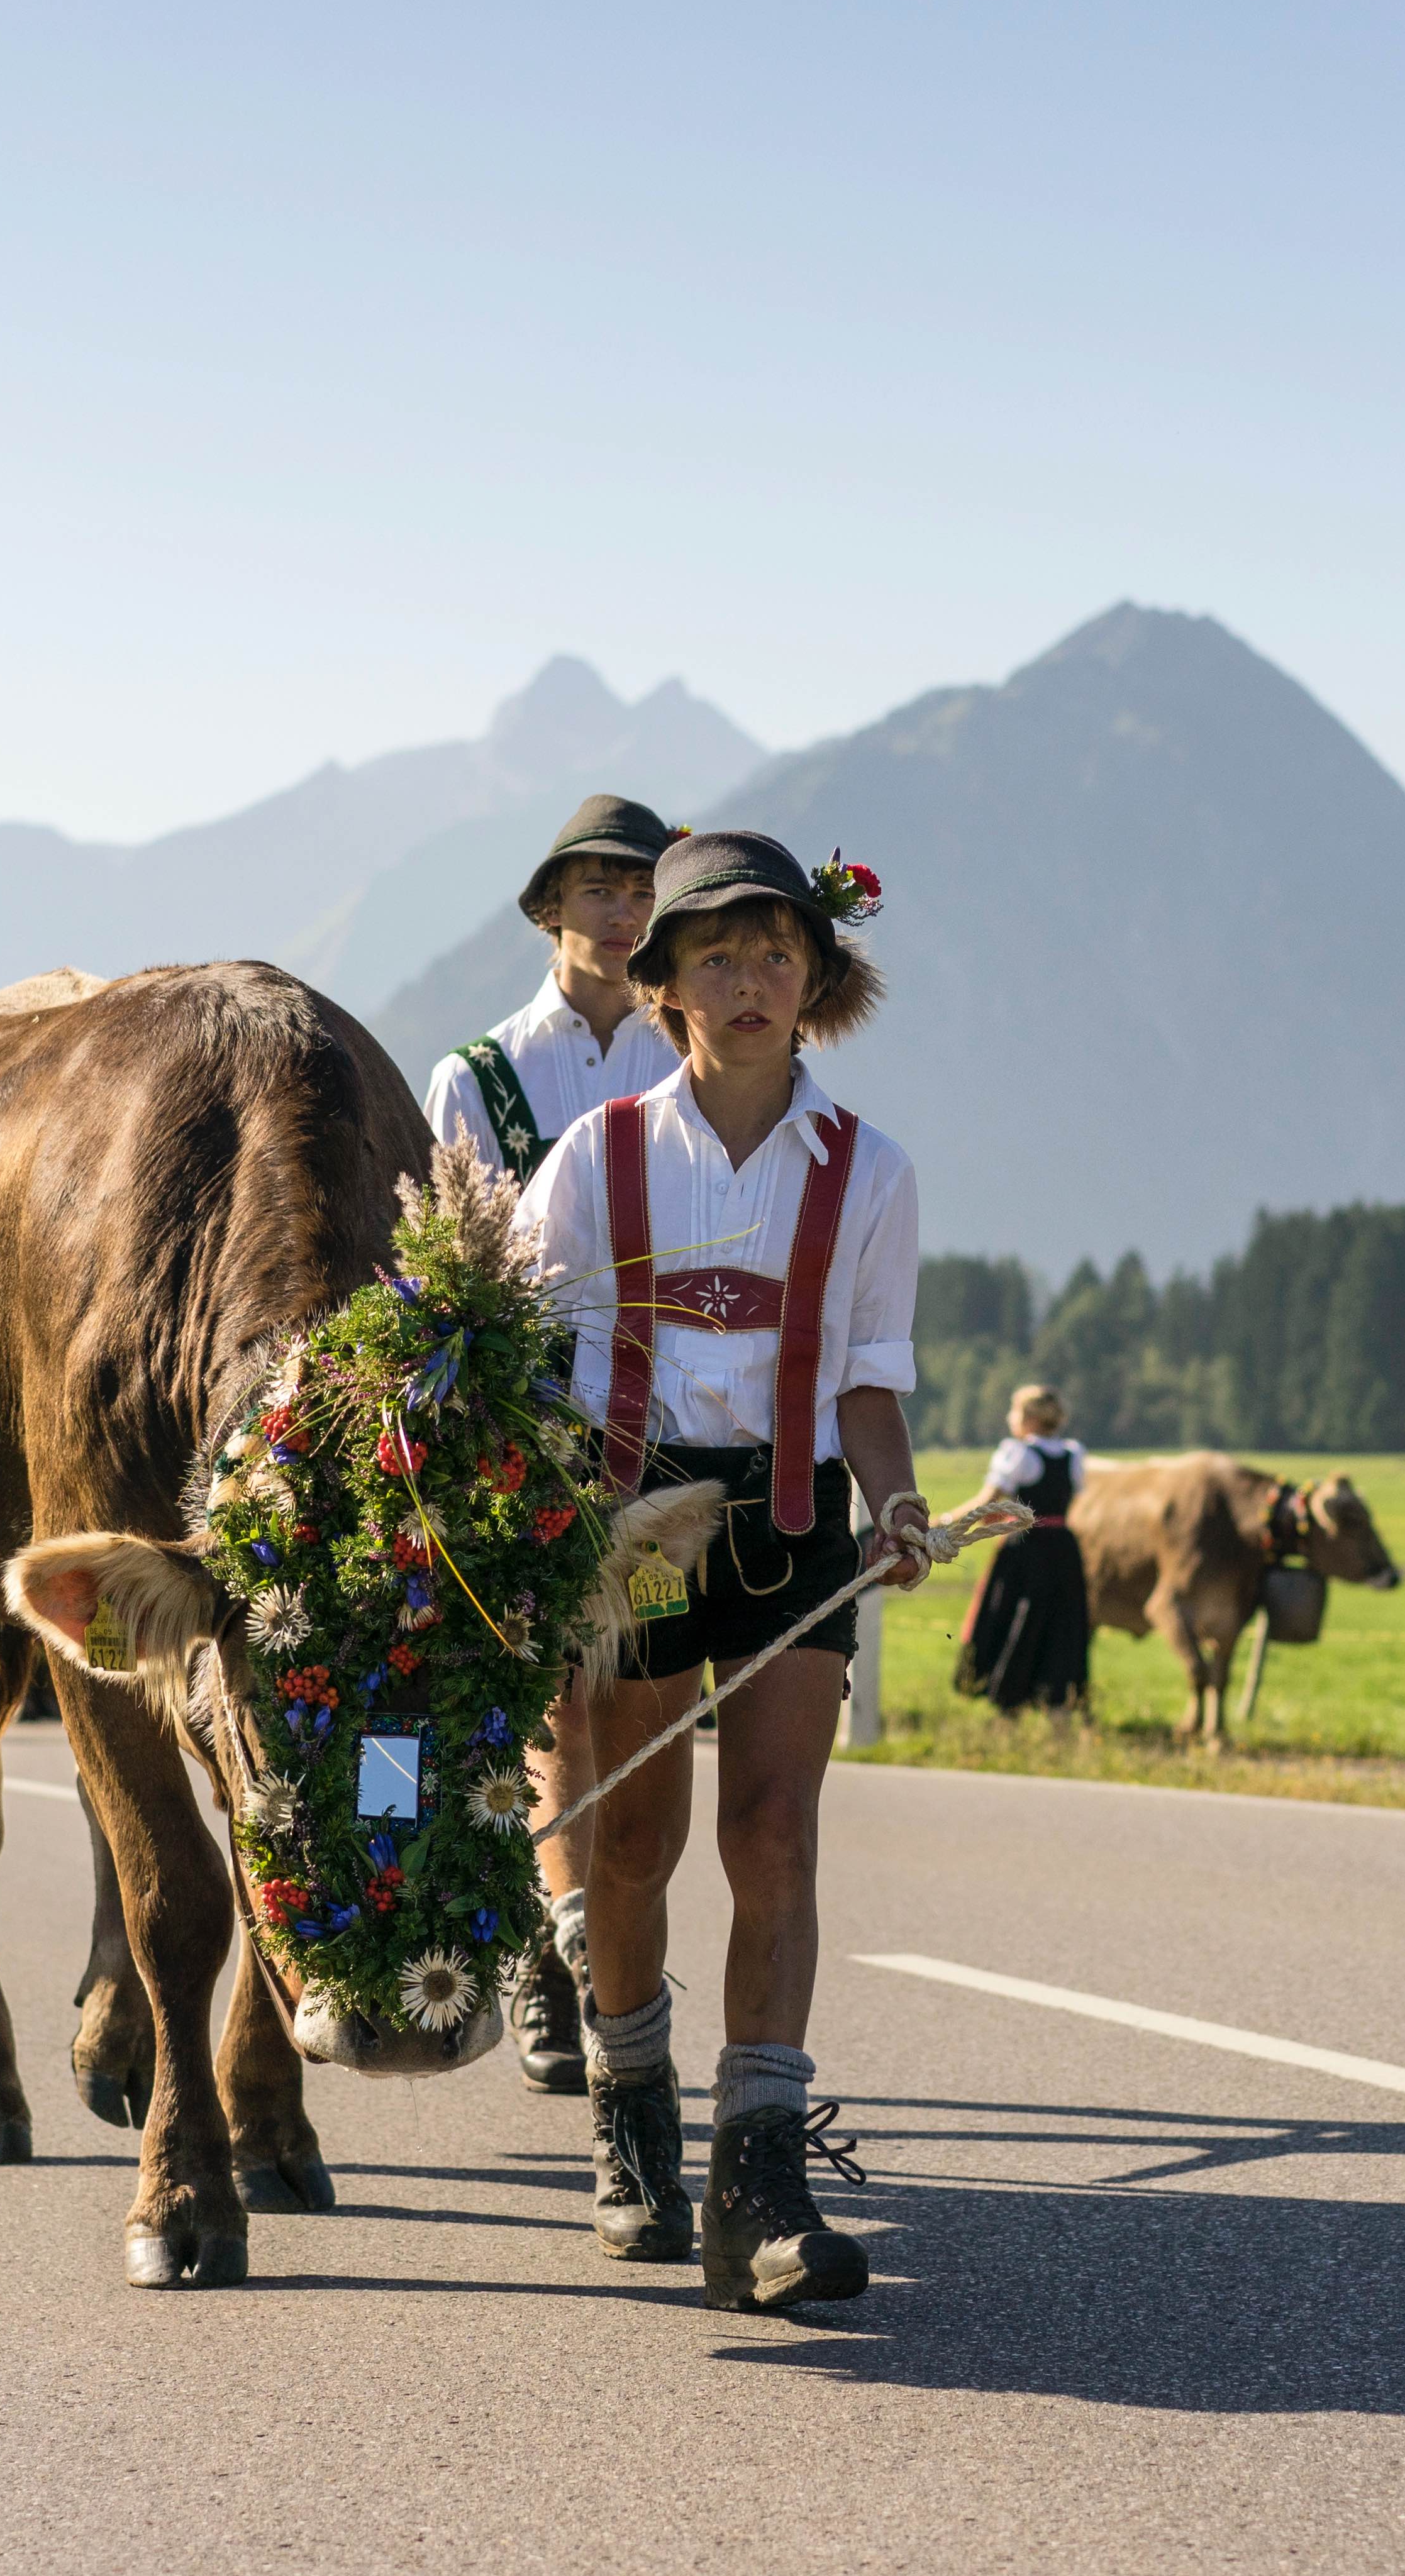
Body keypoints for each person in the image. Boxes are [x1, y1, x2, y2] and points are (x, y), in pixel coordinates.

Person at [514, 827, 930, 2311]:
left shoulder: (868, 1170)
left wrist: (892, 1506)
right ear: (667, 987)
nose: (748, 982)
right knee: (629, 1842)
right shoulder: (594, 1158)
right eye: (714, 959)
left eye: (775, 954)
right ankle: (633, 2130)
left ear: (815, 976)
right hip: (635, 1521)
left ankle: (759, 2179)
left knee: (774, 1834)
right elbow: (513, 1353)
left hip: (797, 1513)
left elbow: (869, 1378)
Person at [424, 792, 687, 2098]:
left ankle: (612, 1949)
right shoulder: (475, 1076)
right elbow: (455, 1279)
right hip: (533, 1426)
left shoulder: (690, 1056)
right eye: (598, 886)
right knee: (550, 1696)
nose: (622, 908)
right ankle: (549, 1947)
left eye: (642, 889)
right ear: (550, 909)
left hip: (672, 1431)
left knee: (645, 1684)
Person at [953, 1385, 1092, 1716]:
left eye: (1014, 1411)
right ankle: (1057, 1703)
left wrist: (945, 1522)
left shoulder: (1019, 1454)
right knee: (1060, 1626)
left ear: (1029, 1418)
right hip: (1063, 1551)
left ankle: (1009, 1703)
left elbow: (986, 1502)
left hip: (1026, 1551)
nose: (1009, 1417)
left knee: (1016, 1621)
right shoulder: (1073, 1455)